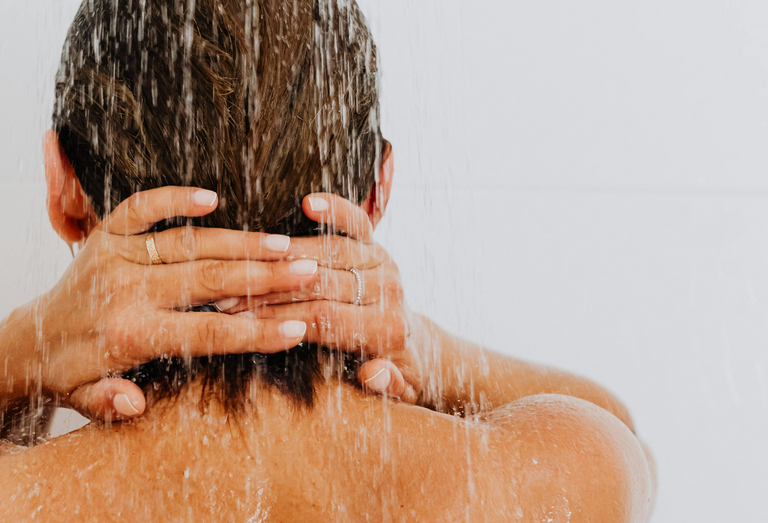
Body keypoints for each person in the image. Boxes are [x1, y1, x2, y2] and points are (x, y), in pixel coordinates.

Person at [0, 0, 656, 521]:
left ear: (64, 189)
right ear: (377, 190)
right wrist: (427, 351)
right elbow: (619, 435)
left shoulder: (23, 498)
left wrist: (27, 349)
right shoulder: (548, 479)